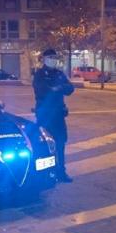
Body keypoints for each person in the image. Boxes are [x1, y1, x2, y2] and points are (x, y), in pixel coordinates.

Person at [32, 49, 75, 183]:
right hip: (45, 115)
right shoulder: (39, 74)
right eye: (50, 57)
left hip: (58, 115)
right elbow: (43, 91)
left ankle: (61, 172)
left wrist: (57, 88)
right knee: (44, 144)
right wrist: (59, 88)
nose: (53, 59)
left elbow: (70, 89)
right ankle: (44, 174)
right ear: (44, 59)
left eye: (54, 57)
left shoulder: (59, 73)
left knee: (60, 143)